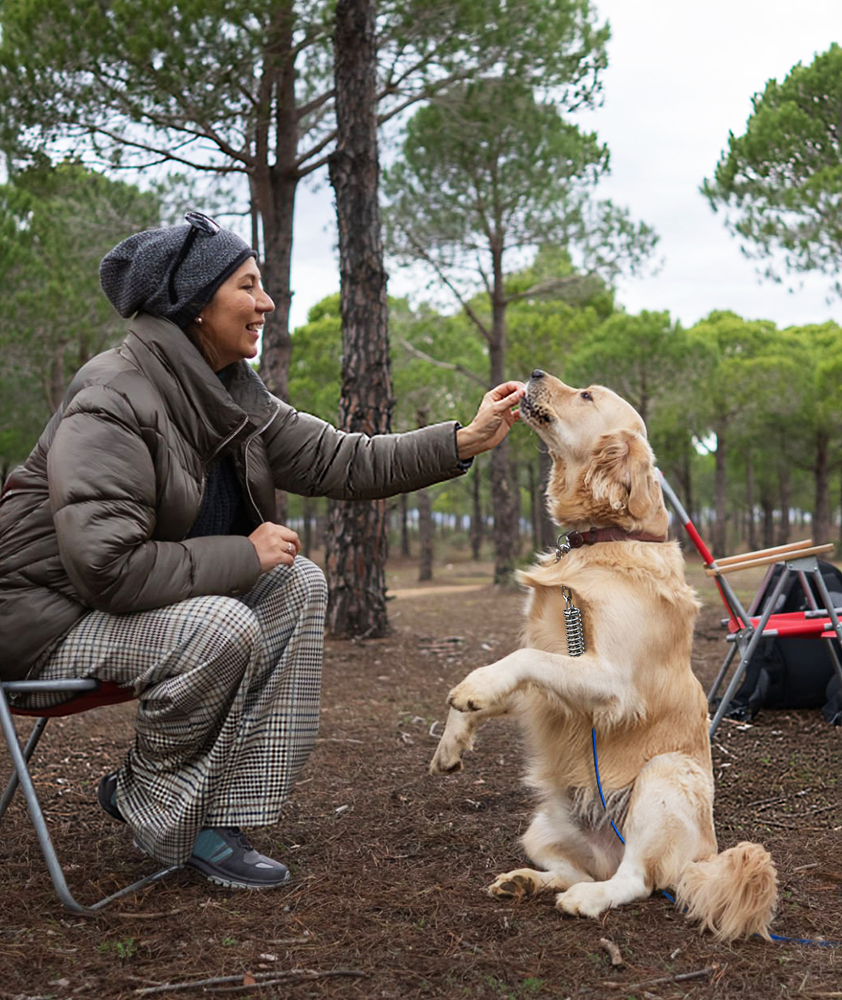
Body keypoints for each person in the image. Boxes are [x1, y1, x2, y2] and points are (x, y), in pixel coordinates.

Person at [0, 211, 525, 889]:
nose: (267, 303)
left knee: (298, 582)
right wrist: (243, 554)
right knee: (226, 619)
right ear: (194, 305)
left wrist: (463, 441)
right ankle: (150, 802)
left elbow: (343, 460)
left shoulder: (232, 399)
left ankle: (218, 821)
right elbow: (107, 566)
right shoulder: (112, 398)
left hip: (127, 618)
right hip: (44, 628)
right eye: (248, 286)